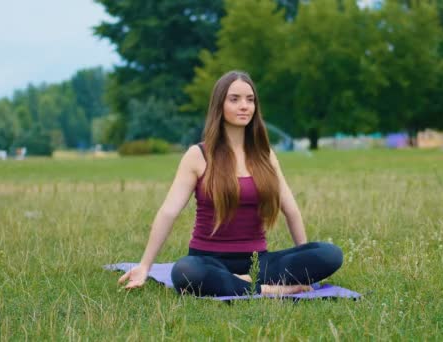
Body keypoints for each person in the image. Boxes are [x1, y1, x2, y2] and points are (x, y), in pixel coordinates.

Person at [118, 70, 343, 296]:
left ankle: (240, 282)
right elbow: (168, 212)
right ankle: (269, 290)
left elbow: (291, 210)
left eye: (250, 99)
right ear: (220, 105)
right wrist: (145, 265)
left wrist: (302, 261)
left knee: (330, 254)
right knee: (185, 272)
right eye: (234, 99)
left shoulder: (265, 155)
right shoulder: (198, 155)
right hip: (207, 261)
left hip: (258, 264)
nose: (244, 106)